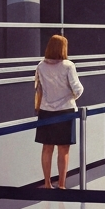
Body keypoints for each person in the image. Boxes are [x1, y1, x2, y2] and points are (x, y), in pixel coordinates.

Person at [34, 35, 84, 188]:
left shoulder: (40, 66)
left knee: (47, 148)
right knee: (63, 150)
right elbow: (78, 89)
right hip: (65, 111)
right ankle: (61, 184)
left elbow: (38, 89)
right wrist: (70, 97)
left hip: (46, 111)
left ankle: (47, 184)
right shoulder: (68, 65)